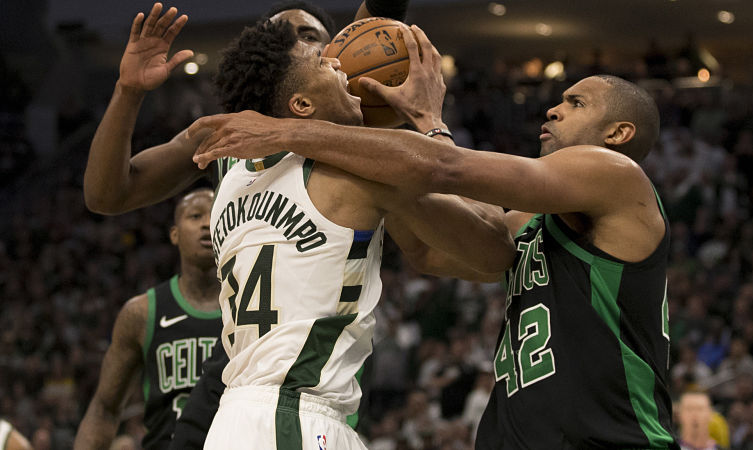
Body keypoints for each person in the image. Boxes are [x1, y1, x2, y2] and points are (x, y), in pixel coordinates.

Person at [189, 27, 681, 447]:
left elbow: (447, 172)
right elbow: (435, 249)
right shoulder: (532, 217)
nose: (553, 109)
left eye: (575, 102)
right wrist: (391, 168)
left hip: (611, 435)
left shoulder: (617, 176)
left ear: (618, 133)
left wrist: (422, 123)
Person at [80, 2, 415, 448]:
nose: (294, 43)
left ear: (339, 52)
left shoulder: (357, 135)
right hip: (242, 369)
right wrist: (128, 90)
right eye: (280, 36)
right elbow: (107, 193)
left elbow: (380, 13)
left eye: (309, 37)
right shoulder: (226, 137)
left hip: (320, 355)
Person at [199, 16, 513, 449]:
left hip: (240, 417)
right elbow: (493, 246)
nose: (343, 68)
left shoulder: (232, 182)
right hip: (292, 417)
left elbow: (422, 250)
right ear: (302, 106)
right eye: (325, 66)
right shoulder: (351, 175)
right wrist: (427, 119)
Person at [75, 188, 221, 449]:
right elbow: (104, 408)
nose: (207, 223)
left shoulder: (252, 307)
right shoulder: (141, 313)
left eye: (215, 213)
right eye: (195, 216)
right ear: (174, 234)